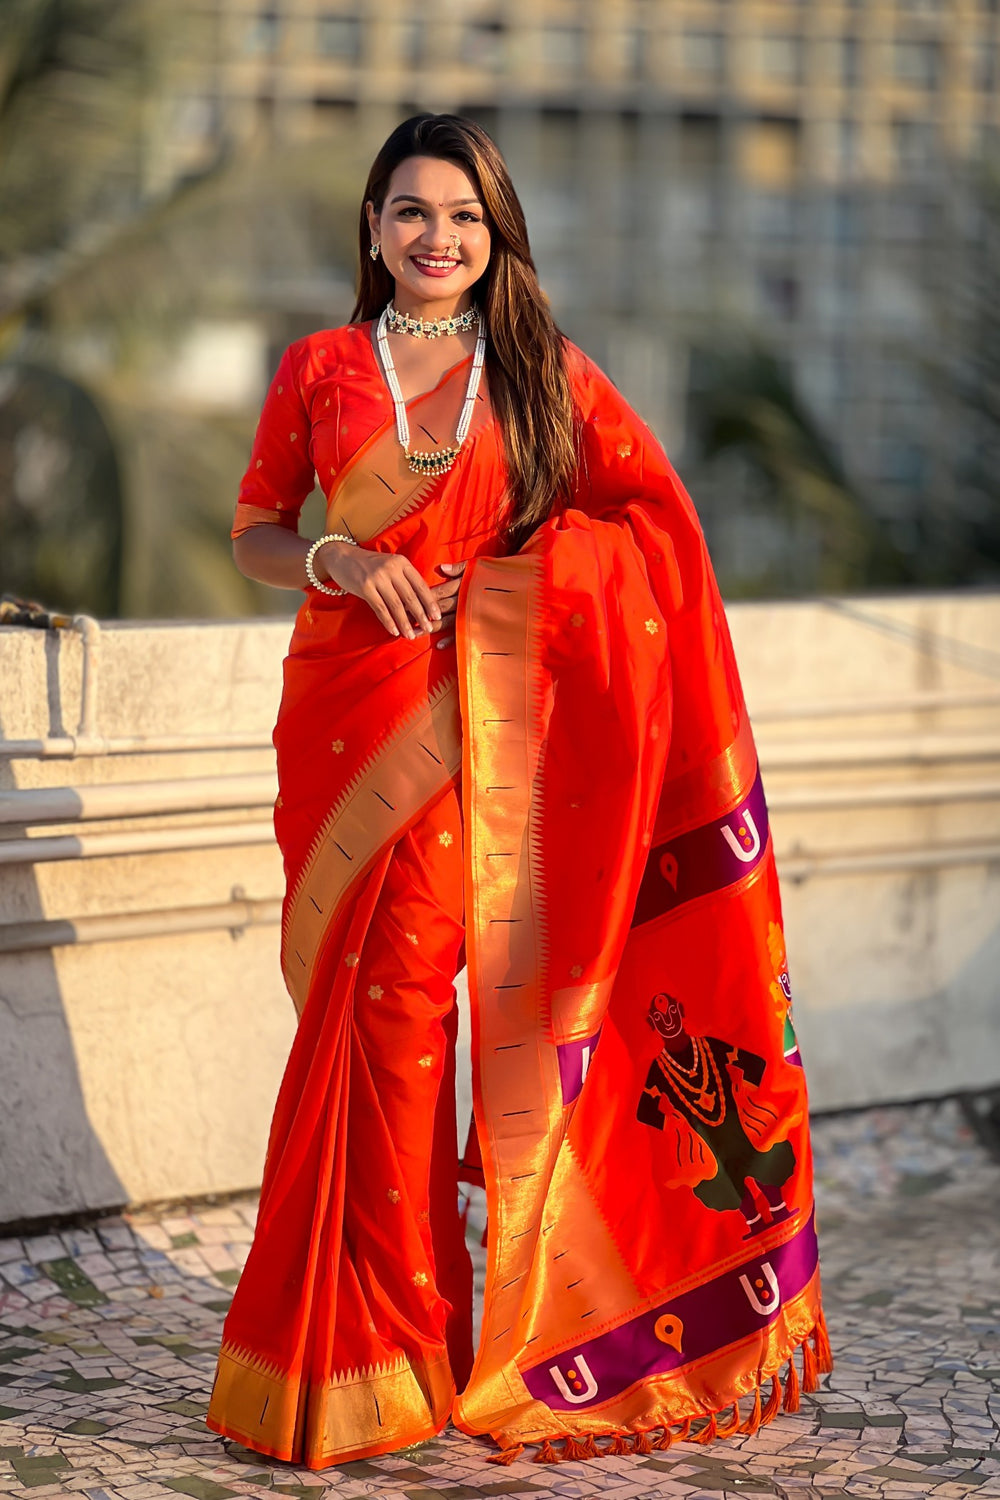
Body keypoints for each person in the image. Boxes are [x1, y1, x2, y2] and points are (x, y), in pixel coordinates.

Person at [205, 112, 830, 1471]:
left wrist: (514, 591)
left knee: (404, 1009)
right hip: (342, 721)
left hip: (481, 744)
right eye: (412, 211)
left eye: (465, 217)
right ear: (373, 226)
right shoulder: (319, 367)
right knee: (361, 1024)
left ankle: (398, 1342)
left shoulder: (544, 374)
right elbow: (255, 528)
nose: (437, 237)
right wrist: (332, 561)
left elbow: (651, 527)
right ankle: (369, 1354)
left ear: (496, 239)